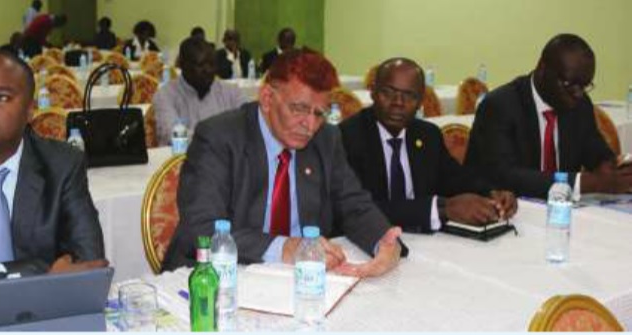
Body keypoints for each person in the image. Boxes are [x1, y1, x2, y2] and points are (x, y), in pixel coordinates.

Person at [163, 49, 407, 278]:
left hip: (302, 277)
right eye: (299, 109)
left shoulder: (326, 138)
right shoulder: (219, 137)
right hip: (223, 275)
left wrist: (382, 240)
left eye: (319, 113)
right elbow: (201, 227)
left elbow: (354, 203)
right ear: (268, 98)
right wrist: (284, 247)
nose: (310, 125)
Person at [0, 50, 107, 281]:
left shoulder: (63, 165)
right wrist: (46, 278)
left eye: (1, 97)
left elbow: (90, 263)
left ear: (30, 110)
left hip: (40, 313)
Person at [340, 57, 517, 233]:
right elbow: (358, 208)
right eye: (388, 92)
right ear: (373, 92)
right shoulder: (347, 138)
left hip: (424, 241)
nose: (398, 103)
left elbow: (456, 178)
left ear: (420, 102)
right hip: (367, 240)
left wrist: (492, 194)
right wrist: (442, 209)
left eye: (409, 95)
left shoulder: (427, 134)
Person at [465, 33, 632, 199]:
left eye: (585, 86)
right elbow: (505, 176)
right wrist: (587, 183)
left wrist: (614, 168)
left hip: (562, 211)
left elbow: (597, 154)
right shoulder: (500, 105)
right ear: (542, 67)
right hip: (503, 209)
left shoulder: (579, 105)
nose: (578, 94)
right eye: (569, 84)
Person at [152, 37, 246, 146]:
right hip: (181, 160)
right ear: (182, 65)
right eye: (201, 65)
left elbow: (252, 122)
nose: (208, 70)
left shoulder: (232, 92)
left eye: (212, 64)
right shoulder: (165, 95)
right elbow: (173, 135)